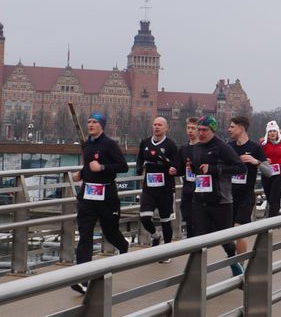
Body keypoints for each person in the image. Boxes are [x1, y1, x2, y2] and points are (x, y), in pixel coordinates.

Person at [72, 112, 129, 294]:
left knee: (110, 232)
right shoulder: (87, 144)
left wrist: (103, 167)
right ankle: (82, 278)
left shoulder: (109, 144)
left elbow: (123, 166)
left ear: (101, 125)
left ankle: (123, 246)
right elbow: (89, 163)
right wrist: (81, 172)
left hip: (107, 197)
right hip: (88, 196)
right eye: (88, 121)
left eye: (94, 122)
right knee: (85, 235)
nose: (90, 124)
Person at [192, 115, 247, 276]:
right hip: (200, 200)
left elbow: (241, 168)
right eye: (199, 130)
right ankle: (196, 274)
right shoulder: (196, 148)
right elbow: (198, 171)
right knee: (199, 239)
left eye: (205, 130)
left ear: (212, 131)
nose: (201, 133)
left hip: (221, 201)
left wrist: (214, 169)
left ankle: (234, 261)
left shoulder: (221, 147)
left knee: (226, 240)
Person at [136, 117, 179, 262]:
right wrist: (138, 168)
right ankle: (155, 235)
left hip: (165, 189)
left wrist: (164, 160)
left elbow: (177, 164)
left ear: (166, 128)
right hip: (149, 188)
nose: (157, 127)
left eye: (160, 125)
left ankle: (166, 253)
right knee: (144, 217)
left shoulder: (171, 145)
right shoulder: (145, 143)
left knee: (166, 221)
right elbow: (140, 158)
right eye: (155, 124)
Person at [228, 116, 270, 255]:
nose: (229, 129)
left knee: (239, 230)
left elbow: (269, 172)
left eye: (232, 127)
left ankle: (240, 266)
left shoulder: (255, 148)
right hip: (228, 196)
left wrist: (255, 161)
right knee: (229, 234)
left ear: (241, 128)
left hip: (246, 196)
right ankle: (234, 262)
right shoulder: (229, 147)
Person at [260, 120, 281, 218]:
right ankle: (275, 217)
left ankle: (270, 222)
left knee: (274, 197)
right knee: (270, 198)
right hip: (267, 174)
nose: (272, 133)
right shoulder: (262, 144)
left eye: (274, 131)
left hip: (279, 174)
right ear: (267, 133)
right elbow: (257, 158)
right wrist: (264, 160)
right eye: (270, 131)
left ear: (277, 132)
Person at [176, 117, 199, 238]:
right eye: (188, 128)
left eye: (193, 128)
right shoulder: (183, 148)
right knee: (187, 215)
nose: (190, 131)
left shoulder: (203, 147)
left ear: (199, 130)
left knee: (196, 220)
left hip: (200, 188)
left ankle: (195, 242)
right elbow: (180, 169)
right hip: (187, 187)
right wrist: (174, 170)